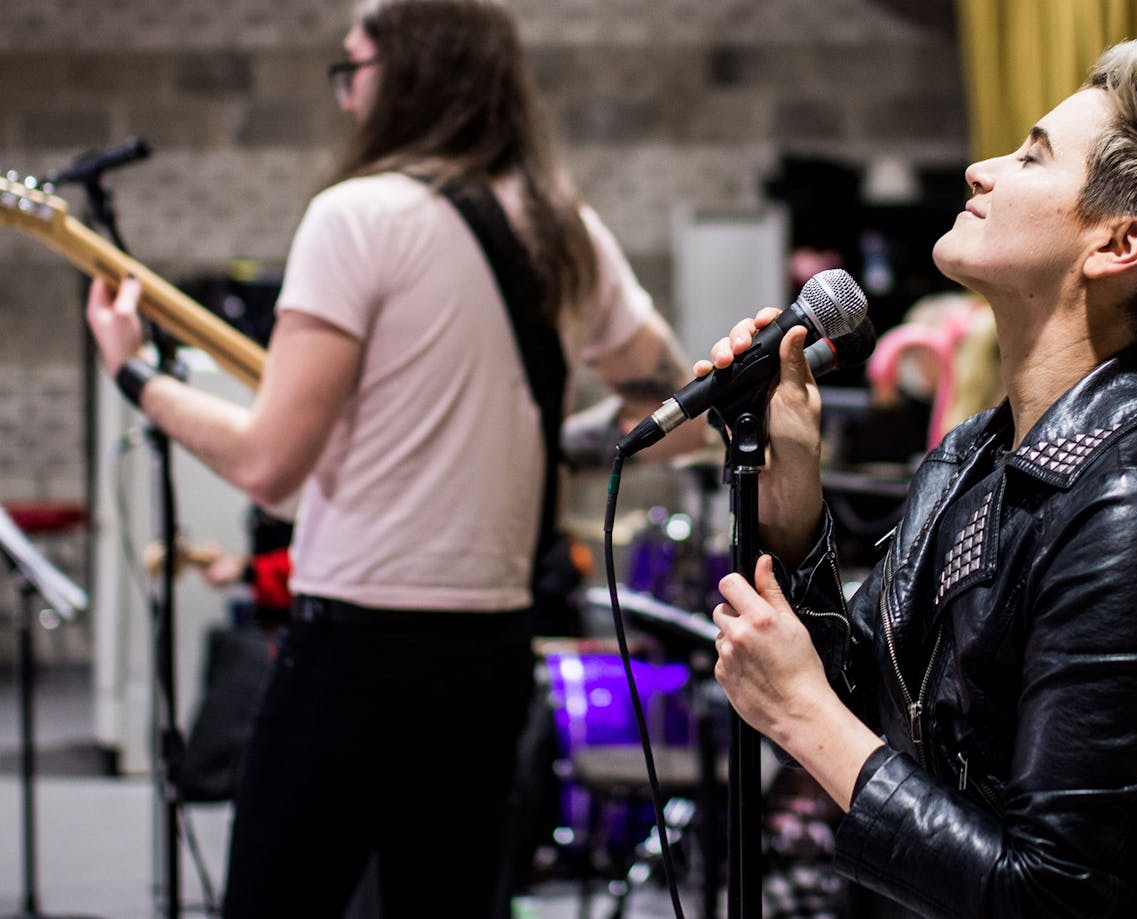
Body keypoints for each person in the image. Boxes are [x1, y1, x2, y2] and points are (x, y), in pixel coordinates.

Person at [85, 0, 700, 915]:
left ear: (410, 73)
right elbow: (679, 415)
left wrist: (135, 374)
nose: (345, 98)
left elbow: (267, 464)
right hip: (490, 655)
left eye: (354, 68)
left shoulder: (356, 217)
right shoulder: (568, 229)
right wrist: (548, 442)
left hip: (353, 653)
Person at [703, 39, 1137, 917]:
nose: (982, 168)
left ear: (1120, 244)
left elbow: (1062, 897)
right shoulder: (976, 454)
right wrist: (794, 495)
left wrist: (804, 715)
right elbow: (875, 711)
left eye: (1033, 155)